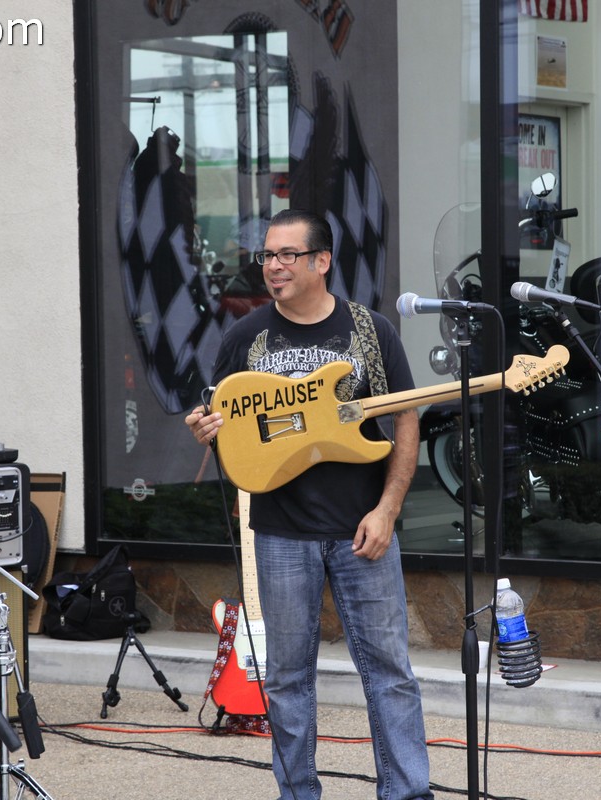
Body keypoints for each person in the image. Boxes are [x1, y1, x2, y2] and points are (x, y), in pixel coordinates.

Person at [185, 209, 433, 800]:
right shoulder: (246, 337)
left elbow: (406, 418)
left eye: (286, 255)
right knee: (287, 679)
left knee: (390, 674)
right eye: (267, 256)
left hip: (364, 528)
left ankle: (407, 792)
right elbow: (226, 423)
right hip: (280, 532)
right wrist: (206, 430)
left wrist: (388, 510)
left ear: (322, 261)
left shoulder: (370, 331)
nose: (273, 266)